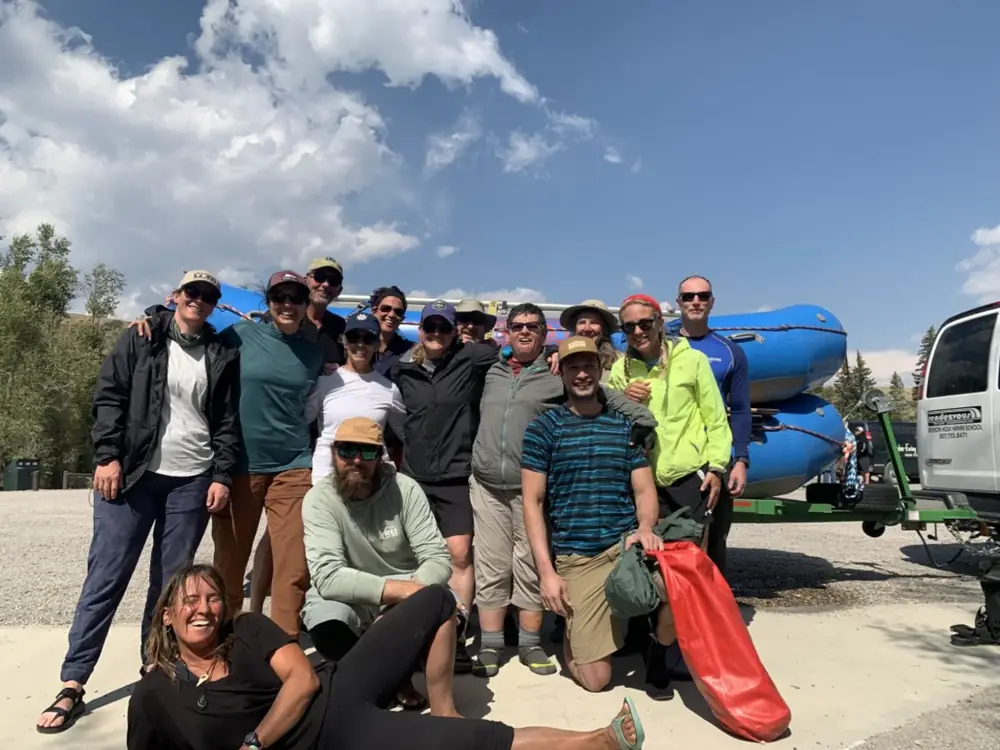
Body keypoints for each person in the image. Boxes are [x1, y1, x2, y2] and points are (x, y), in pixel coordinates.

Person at [127, 563, 648, 750]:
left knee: (435, 597)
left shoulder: (245, 628)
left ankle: (439, 702)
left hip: (335, 689)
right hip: (328, 739)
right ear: (166, 616)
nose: (204, 609)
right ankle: (596, 743)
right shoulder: (154, 694)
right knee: (473, 742)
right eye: (189, 602)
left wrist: (255, 741)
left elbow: (303, 681)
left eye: (212, 597)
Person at [36, 270, 240, 735]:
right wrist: (107, 456)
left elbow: (226, 419)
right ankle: (73, 681)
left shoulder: (223, 350)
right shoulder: (141, 337)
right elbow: (109, 396)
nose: (200, 301)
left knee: (169, 587)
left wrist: (222, 474)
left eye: (209, 296)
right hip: (131, 477)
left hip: (192, 478)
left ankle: (155, 670)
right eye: (193, 292)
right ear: (176, 296)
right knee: (105, 578)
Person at [470, 304, 657, 678]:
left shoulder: (556, 373)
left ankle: (530, 643)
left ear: (544, 333)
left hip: (529, 484)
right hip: (489, 482)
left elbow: (600, 393)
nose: (524, 332)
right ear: (506, 332)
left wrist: (637, 424)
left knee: (527, 565)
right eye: (517, 326)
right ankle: (491, 645)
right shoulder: (490, 369)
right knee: (491, 565)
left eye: (533, 326)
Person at [521, 336, 668, 694]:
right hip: (578, 557)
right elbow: (532, 502)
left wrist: (646, 527)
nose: (582, 374)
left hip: (623, 547)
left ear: (601, 370)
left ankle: (660, 647)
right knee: (596, 681)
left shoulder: (625, 427)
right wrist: (547, 574)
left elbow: (644, 490)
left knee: (683, 586)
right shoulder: (543, 429)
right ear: (563, 374)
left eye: (589, 366)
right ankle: (580, 629)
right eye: (573, 367)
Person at [608, 293, 732, 697]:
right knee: (640, 568)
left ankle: (663, 651)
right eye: (629, 327)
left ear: (660, 322)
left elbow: (715, 416)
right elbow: (605, 422)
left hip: (685, 483)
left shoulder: (691, 360)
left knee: (681, 579)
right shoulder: (618, 373)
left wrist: (716, 466)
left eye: (645, 323)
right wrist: (623, 402)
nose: (638, 332)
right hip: (638, 483)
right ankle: (641, 640)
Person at [302, 417, 455, 713]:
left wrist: (403, 602)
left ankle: (420, 693)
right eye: (347, 451)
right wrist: (397, 593)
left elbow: (437, 557)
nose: (356, 460)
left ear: (381, 456)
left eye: (367, 452)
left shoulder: (405, 489)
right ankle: (370, 687)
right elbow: (328, 576)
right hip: (349, 592)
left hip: (408, 582)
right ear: (334, 453)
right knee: (325, 624)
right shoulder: (319, 499)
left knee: (443, 608)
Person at [210, 271, 324, 636]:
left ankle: (283, 644)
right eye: (280, 297)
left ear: (307, 305)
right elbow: (193, 341)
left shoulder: (314, 353)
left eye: (295, 298)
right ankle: (225, 638)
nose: (288, 304)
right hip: (241, 465)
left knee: (293, 565)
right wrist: (156, 315)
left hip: (293, 466)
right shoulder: (240, 336)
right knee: (230, 561)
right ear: (268, 302)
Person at [391, 300, 499, 672]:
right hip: (415, 477)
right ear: (420, 330)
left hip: (456, 475)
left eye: (444, 327)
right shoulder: (402, 368)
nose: (436, 333)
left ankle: (456, 632)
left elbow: (510, 355)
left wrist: (550, 357)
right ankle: (417, 632)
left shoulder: (471, 360)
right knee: (416, 557)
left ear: (454, 331)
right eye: (429, 327)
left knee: (459, 554)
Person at [666, 276, 752, 571]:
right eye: (688, 297)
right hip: (669, 456)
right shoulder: (660, 343)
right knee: (665, 537)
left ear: (712, 301)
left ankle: (712, 612)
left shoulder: (729, 352)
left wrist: (740, 459)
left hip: (713, 457)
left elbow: (740, 409)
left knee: (713, 538)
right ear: (678, 302)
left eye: (702, 296)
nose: (695, 302)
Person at [310, 311, 406, 485]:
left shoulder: (389, 389)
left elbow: (407, 434)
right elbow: (301, 421)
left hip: (372, 479)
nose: (361, 344)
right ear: (344, 342)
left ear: (377, 344)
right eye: (354, 338)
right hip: (327, 477)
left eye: (368, 339)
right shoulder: (324, 382)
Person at [559, 299, 621, 382]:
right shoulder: (560, 358)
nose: (587, 328)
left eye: (594, 322)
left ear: (604, 329)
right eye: (582, 322)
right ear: (575, 328)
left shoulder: (620, 361)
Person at [303, 257, 347, 367]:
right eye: (320, 277)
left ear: (339, 290)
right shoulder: (287, 319)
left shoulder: (342, 327)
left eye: (334, 280)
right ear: (306, 280)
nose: (325, 284)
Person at [368, 285, 415, 379]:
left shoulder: (410, 351)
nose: (391, 315)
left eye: (398, 312)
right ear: (374, 311)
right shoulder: (357, 344)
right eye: (386, 308)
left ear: (402, 319)